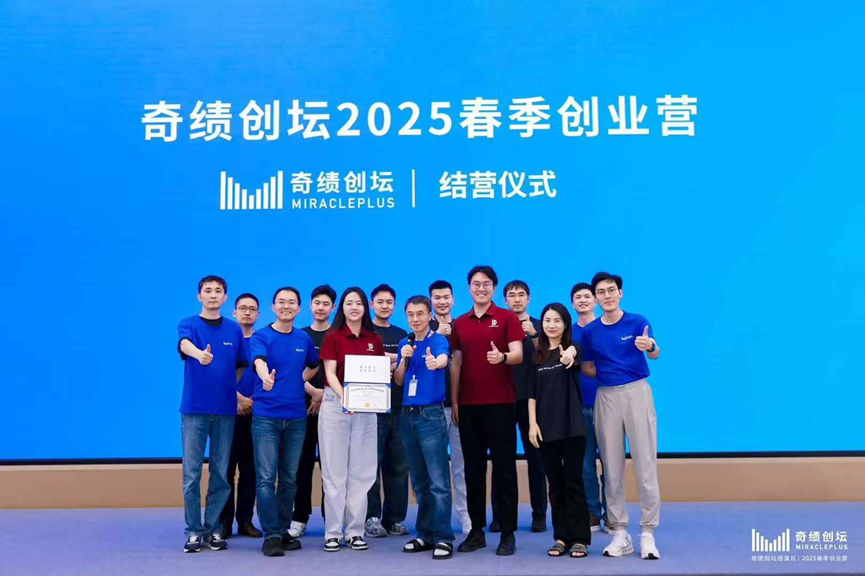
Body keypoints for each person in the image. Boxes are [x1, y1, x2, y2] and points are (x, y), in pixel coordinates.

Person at [580, 272, 662, 560]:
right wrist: (609, 374)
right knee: (612, 466)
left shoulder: (638, 322)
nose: (607, 296)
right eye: (601, 292)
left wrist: (650, 346)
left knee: (645, 463)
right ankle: (620, 533)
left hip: (637, 392)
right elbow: (587, 367)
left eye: (611, 290)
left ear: (620, 293)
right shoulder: (591, 332)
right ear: (596, 297)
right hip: (606, 396)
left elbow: (655, 353)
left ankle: (648, 533)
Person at [450, 265, 524, 556]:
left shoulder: (506, 318)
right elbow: (456, 363)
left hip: (501, 405)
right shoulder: (460, 323)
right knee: (473, 471)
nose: (481, 289)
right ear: (469, 287)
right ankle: (476, 531)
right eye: (476, 284)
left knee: (504, 469)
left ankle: (507, 533)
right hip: (469, 407)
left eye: (486, 284)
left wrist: (502, 356)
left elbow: (518, 354)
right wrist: (455, 401)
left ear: (494, 288)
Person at [177, 275, 248, 553]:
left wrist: (231, 388)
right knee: (192, 473)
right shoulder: (188, 324)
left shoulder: (233, 330)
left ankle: (213, 527)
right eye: (208, 291)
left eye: (218, 291)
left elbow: (241, 365)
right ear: (199, 296)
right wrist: (199, 355)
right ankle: (193, 531)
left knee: (220, 473)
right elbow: (184, 344)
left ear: (225, 297)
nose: (213, 295)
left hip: (225, 410)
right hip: (195, 409)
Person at [250, 287, 320, 556]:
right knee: (267, 479)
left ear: (299, 309)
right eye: (281, 302)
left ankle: (281, 530)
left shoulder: (303, 338)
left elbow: (314, 364)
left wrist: (299, 379)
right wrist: (265, 377)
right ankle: (270, 534)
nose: (286, 306)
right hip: (266, 417)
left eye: (292, 302)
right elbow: (258, 360)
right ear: (273, 307)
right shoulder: (262, 336)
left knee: (289, 478)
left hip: (296, 418)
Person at [318, 287, 385, 552]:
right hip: (336, 406)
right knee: (334, 472)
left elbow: (379, 376)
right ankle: (333, 533)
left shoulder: (374, 339)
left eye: (358, 303)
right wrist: (345, 397)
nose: (354, 307)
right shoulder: (333, 336)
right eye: (349, 303)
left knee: (363, 471)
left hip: (366, 409)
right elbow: (329, 373)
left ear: (365, 307)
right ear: (342, 308)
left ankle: (355, 531)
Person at [527, 303, 591, 559]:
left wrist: (570, 354)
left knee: (574, 482)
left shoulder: (573, 348)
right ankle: (561, 537)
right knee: (555, 485)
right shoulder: (537, 356)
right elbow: (531, 394)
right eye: (547, 320)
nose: (551, 325)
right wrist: (532, 424)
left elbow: (574, 353)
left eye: (557, 320)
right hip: (546, 430)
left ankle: (580, 539)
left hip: (573, 428)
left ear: (565, 324)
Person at [394, 295, 454, 559]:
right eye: (410, 314)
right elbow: (399, 381)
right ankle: (425, 534)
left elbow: (442, 359)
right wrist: (403, 361)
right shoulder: (404, 343)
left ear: (430, 315)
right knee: (419, 481)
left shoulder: (438, 340)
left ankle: (444, 537)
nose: (415, 319)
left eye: (420, 314)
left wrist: (435, 363)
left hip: (430, 416)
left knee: (438, 481)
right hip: (407, 416)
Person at [289, 284, 337, 539]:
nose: (321, 307)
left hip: (334, 411)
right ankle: (299, 517)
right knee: (302, 465)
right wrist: (312, 392)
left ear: (333, 307)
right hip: (303, 411)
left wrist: (325, 395)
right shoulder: (300, 335)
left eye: (326, 304)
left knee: (332, 467)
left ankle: (333, 519)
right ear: (310, 305)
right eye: (317, 303)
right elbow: (291, 372)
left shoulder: (337, 336)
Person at [502, 279, 548, 533]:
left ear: (528, 298)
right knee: (503, 460)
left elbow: (548, 359)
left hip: (533, 402)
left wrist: (534, 335)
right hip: (504, 399)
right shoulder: (499, 324)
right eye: (512, 295)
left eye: (521, 294)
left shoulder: (541, 326)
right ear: (505, 300)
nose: (517, 299)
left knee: (536, 460)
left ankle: (539, 514)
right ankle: (502, 516)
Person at [365, 284, 410, 538]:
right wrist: (395, 358)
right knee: (371, 467)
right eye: (380, 302)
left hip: (399, 408)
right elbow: (364, 358)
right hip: (372, 410)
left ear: (394, 305)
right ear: (372, 304)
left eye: (389, 302)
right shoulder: (366, 332)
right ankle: (371, 518)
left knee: (399, 467)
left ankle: (394, 519)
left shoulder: (402, 334)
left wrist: (385, 358)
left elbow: (408, 360)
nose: (384, 306)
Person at [428, 280, 470, 535]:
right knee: (434, 468)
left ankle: (465, 514)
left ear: (453, 299)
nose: (442, 302)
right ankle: (436, 518)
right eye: (437, 298)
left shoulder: (463, 326)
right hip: (431, 408)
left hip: (460, 407)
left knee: (462, 465)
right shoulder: (423, 328)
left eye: (446, 297)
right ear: (431, 301)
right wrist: (438, 335)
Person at [220, 293, 263, 539]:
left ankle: (245, 521)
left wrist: (252, 402)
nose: (247, 312)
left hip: (256, 414)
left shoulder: (263, 341)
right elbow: (218, 375)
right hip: (227, 413)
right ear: (234, 312)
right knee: (224, 470)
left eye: (252, 309)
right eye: (242, 308)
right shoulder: (226, 340)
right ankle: (223, 522)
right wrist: (238, 399)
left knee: (250, 471)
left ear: (258, 314)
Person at [570, 282, 610, 534]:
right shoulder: (568, 333)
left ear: (595, 300)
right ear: (573, 303)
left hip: (608, 404)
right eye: (578, 297)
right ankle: (592, 512)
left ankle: (613, 513)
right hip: (579, 406)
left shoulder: (605, 327)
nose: (583, 300)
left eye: (587, 296)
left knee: (611, 462)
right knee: (585, 464)